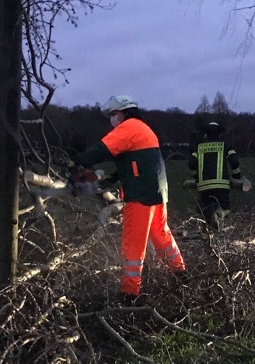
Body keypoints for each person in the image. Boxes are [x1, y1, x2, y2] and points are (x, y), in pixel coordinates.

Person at [72, 95, 186, 300]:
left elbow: (102, 149)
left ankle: (130, 294)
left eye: (114, 114)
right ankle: (181, 274)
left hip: (141, 195)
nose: (112, 119)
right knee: (161, 235)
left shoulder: (129, 127)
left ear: (124, 112)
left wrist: (76, 162)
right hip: (157, 191)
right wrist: (110, 179)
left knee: (132, 246)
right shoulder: (143, 128)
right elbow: (137, 163)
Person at [185, 121, 243, 235]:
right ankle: (219, 224)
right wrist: (237, 176)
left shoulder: (199, 147)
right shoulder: (225, 145)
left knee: (205, 212)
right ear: (219, 133)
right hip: (221, 185)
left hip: (204, 186)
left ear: (206, 133)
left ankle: (208, 237)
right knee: (224, 208)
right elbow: (234, 161)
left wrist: (196, 177)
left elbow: (191, 164)